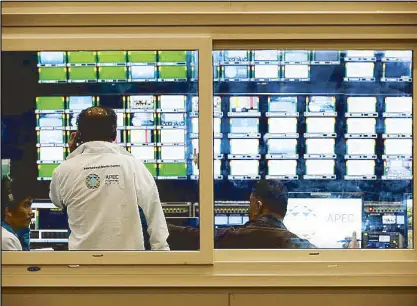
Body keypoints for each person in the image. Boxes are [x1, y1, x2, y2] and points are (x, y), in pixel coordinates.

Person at [49, 106, 169, 251]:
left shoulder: (64, 170)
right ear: (114, 133)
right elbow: (154, 212)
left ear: (78, 135)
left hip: (81, 263)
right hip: (127, 262)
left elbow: (58, 201)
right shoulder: (133, 165)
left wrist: (72, 158)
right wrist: (161, 253)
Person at [167, 180, 315, 250]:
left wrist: (152, 222)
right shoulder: (302, 247)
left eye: (250, 204)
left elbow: (189, 236)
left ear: (257, 206)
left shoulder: (231, 238)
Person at [1, 176, 34, 251]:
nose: (31, 213)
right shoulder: (7, 240)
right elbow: (23, 263)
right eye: (26, 205)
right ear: (9, 211)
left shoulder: (14, 234)